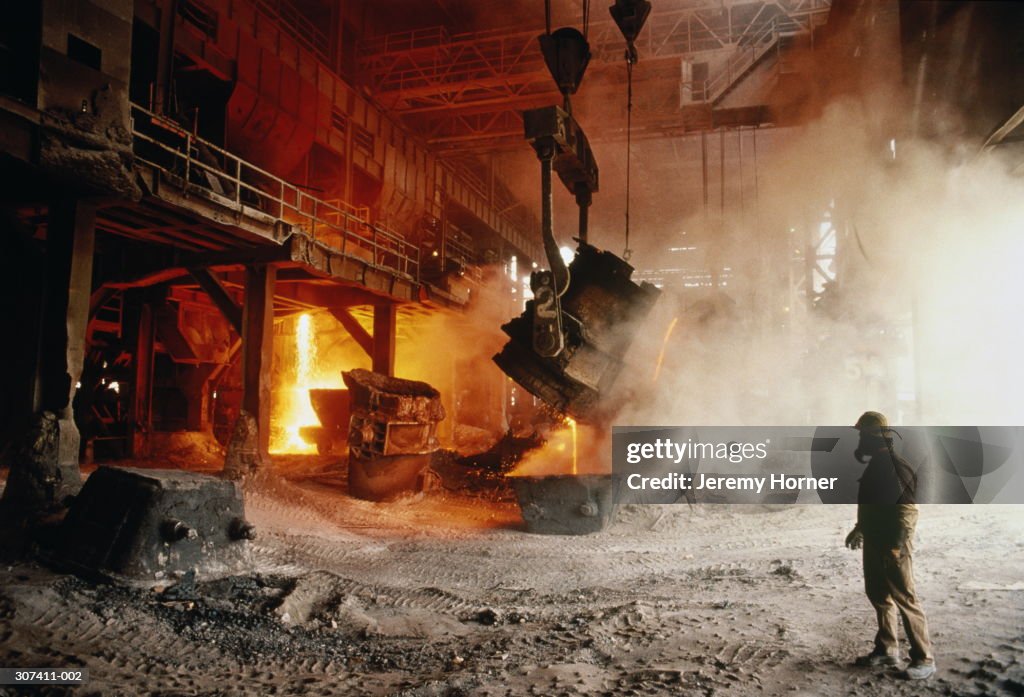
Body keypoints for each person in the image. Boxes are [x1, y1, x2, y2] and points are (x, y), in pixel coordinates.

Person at [844, 411, 936, 680]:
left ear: (874, 437)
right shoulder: (877, 465)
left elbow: (907, 510)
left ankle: (924, 658)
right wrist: (860, 528)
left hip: (893, 545)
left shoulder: (895, 466)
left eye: (862, 434)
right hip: (876, 540)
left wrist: (895, 546)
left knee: (905, 598)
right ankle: (887, 649)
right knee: (879, 595)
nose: (859, 439)